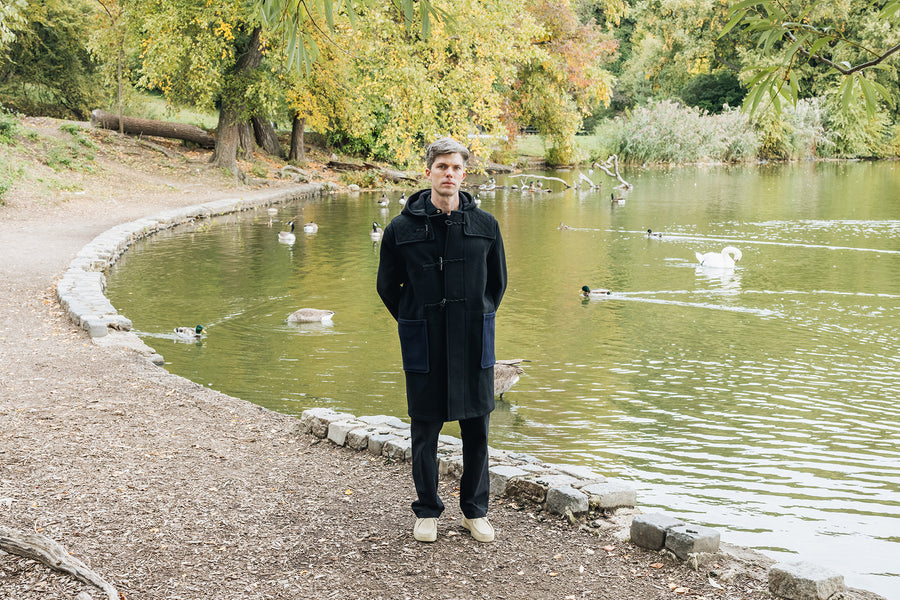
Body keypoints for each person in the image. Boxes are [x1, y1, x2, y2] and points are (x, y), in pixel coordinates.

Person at [376, 137, 507, 543]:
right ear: (428, 172)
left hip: (472, 340)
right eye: (441, 167)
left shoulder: (486, 226)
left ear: (464, 174)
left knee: (478, 432)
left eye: (455, 168)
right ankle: (427, 511)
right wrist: (415, 319)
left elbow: (497, 286)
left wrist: (474, 316)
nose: (448, 174)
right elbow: (386, 286)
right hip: (425, 341)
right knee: (424, 431)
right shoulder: (401, 228)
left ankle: (475, 512)